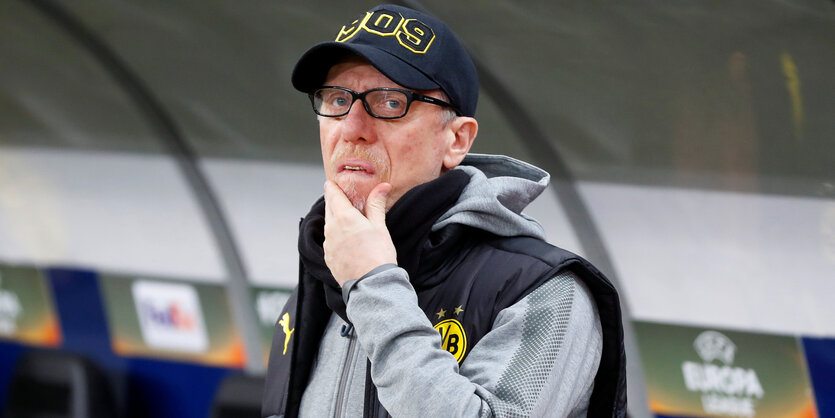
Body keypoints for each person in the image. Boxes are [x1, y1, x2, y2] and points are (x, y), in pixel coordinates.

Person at [262, 4, 626, 417]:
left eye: (388, 101)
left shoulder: (542, 293)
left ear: (456, 140)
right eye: (337, 99)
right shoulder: (318, 282)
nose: (351, 127)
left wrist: (371, 283)